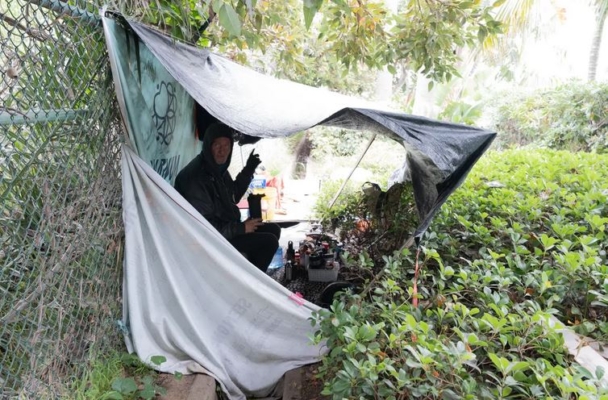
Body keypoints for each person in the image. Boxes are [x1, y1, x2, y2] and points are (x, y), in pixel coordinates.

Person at [174, 122, 281, 272]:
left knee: (273, 229)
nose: (222, 151)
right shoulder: (196, 178)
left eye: (226, 146)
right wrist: (241, 228)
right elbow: (204, 227)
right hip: (206, 241)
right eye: (217, 145)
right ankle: (252, 285)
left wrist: (248, 170)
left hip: (224, 230)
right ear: (208, 146)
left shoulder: (217, 170)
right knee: (268, 242)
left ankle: (248, 275)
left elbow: (233, 196)